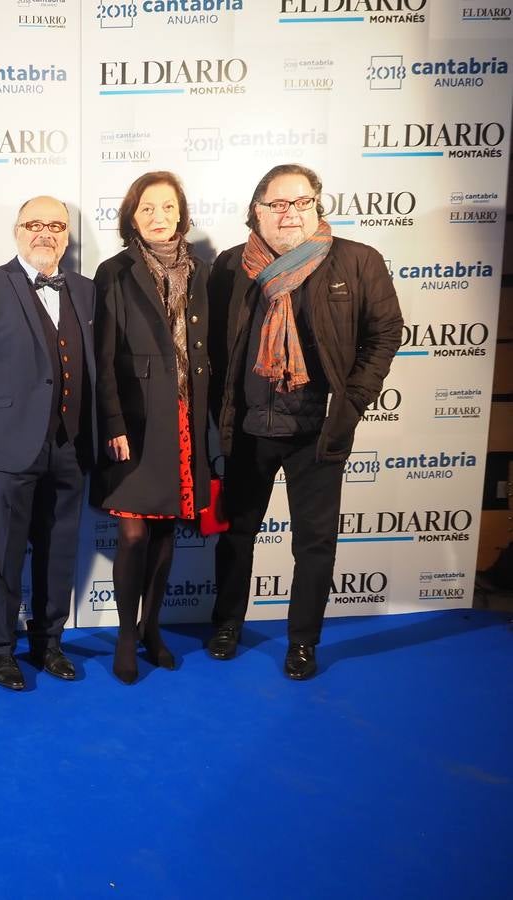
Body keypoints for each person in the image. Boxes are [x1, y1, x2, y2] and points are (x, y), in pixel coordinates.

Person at [206, 163, 403, 680]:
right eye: (277, 204)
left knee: (313, 544)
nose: (289, 213)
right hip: (249, 428)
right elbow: (218, 351)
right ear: (256, 210)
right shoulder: (231, 266)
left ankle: (302, 642)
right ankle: (226, 624)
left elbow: (384, 334)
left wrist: (352, 402)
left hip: (317, 431)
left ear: (317, 205)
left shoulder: (357, 261)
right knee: (236, 534)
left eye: (300, 202)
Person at [0, 196, 96, 691]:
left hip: (72, 444)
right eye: (33, 224)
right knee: (4, 553)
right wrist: (7, 415)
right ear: (16, 231)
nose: (45, 233)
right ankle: (0, 649)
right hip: (8, 444)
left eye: (55, 225)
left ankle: (49, 642)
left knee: (58, 550)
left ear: (67, 235)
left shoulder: (86, 290)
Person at [91, 172, 212, 685]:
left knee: (166, 533)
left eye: (167, 207)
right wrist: (113, 421)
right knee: (134, 532)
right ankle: (124, 634)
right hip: (136, 418)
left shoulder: (203, 273)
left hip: (186, 414)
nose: (158, 217)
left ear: (182, 213)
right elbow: (103, 356)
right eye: (147, 209)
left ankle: (152, 628)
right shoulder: (114, 271)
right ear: (132, 216)